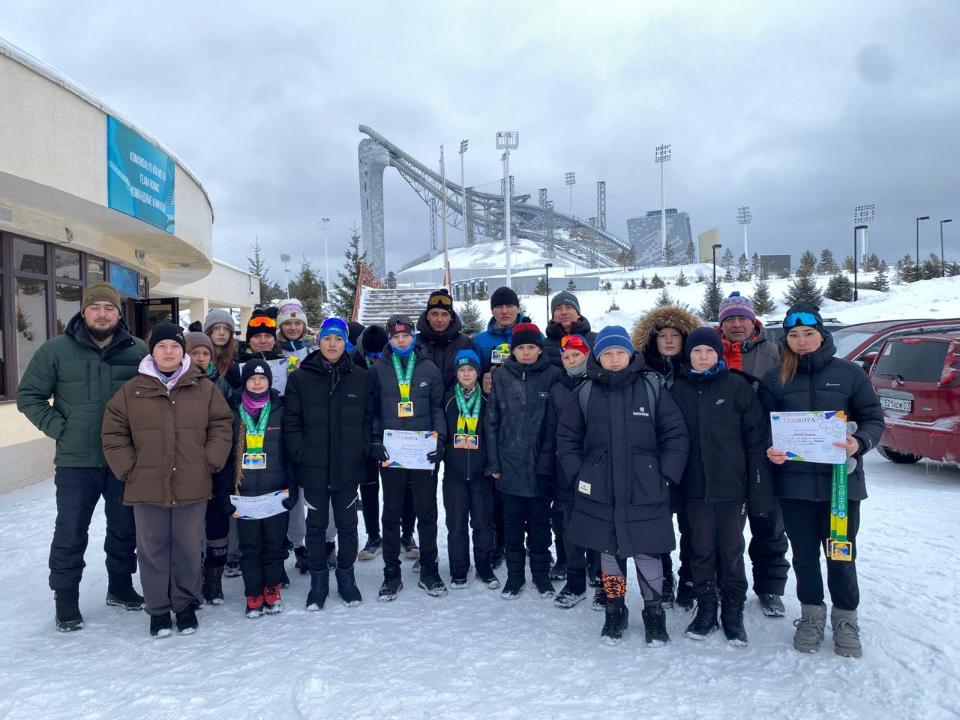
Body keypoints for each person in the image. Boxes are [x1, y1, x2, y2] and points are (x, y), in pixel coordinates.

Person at [16, 281, 147, 632]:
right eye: (95, 308)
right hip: (77, 461)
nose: (102, 314)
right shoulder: (56, 350)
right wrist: (62, 429)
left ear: (119, 313)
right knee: (71, 531)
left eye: (109, 308)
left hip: (124, 460)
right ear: (84, 311)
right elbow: (29, 395)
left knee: (125, 527)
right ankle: (66, 600)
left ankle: (120, 587)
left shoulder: (138, 351)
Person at [760, 304, 884, 658]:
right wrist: (771, 449)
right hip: (794, 485)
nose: (801, 341)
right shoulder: (775, 378)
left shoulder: (850, 374)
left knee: (841, 554)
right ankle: (812, 615)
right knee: (804, 555)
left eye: (808, 334)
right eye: (794, 336)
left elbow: (874, 419)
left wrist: (859, 443)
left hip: (841, 484)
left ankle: (846, 619)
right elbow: (764, 428)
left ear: (822, 335)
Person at [556, 325, 688, 646]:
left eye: (620, 353)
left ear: (630, 354)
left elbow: (676, 434)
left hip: (645, 488)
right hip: (600, 489)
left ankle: (654, 612)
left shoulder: (651, 386)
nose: (614, 359)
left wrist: (665, 475)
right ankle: (614, 610)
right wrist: (580, 474)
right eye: (607, 354)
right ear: (598, 357)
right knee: (609, 555)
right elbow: (567, 439)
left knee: (647, 553)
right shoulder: (585, 391)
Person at [101, 322, 233, 637]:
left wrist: (210, 460)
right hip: (146, 486)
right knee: (152, 549)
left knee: (188, 547)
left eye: (174, 346)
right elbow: (113, 432)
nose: (169, 352)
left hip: (192, 483)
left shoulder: (203, 387)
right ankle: (158, 610)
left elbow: (222, 425)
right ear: (153, 351)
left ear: (182, 351)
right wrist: (128, 468)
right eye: (162, 346)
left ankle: (185, 606)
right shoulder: (133, 389)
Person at [670, 328, 774, 646]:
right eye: (697, 351)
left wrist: (757, 486)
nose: (703, 357)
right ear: (688, 355)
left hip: (732, 487)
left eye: (709, 351)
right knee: (700, 550)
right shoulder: (677, 389)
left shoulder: (738, 387)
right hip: (694, 487)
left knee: (730, 551)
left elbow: (756, 442)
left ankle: (733, 610)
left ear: (719, 354)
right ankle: (706, 608)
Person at [285, 318, 371, 610]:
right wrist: (301, 452)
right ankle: (318, 582)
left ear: (345, 342)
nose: (332, 344)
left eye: (337, 339)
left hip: (348, 466)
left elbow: (368, 420)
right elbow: (292, 420)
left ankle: (347, 579)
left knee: (347, 525)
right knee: (316, 526)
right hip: (314, 467)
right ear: (318, 341)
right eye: (326, 338)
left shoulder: (360, 377)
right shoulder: (300, 378)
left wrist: (363, 450)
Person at [716, 291, 791, 617]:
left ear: (753, 321)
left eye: (741, 318)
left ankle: (770, 588)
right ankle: (725, 583)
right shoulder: (708, 351)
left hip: (766, 451)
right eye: (729, 319)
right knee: (725, 526)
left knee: (769, 522)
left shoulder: (774, 353)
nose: (735, 324)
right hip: (724, 452)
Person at [369, 315, 447, 600]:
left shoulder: (429, 369)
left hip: (422, 451)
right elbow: (374, 410)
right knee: (391, 512)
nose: (401, 340)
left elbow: (437, 407)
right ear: (389, 340)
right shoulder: (378, 370)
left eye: (406, 336)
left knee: (427, 511)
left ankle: (429, 568)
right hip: (392, 453)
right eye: (395, 336)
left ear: (413, 337)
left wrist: (440, 438)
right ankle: (391, 573)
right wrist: (375, 439)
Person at [631, 304, 701, 609]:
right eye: (664, 336)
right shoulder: (641, 374)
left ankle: (689, 577)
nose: (670, 340)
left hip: (694, 461)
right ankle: (665, 576)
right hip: (652, 461)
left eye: (676, 335)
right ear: (653, 340)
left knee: (692, 525)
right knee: (656, 524)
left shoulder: (697, 372)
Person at [485, 322, 561, 600]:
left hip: (541, 467)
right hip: (510, 465)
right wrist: (494, 462)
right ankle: (515, 576)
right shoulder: (502, 377)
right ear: (512, 351)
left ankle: (541, 575)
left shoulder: (553, 375)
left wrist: (552, 462)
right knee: (513, 526)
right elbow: (491, 420)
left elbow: (557, 423)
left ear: (540, 349)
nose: (526, 352)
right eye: (521, 348)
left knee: (541, 527)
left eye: (531, 347)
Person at [222, 361, 299, 617]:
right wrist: (226, 493)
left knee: (274, 545)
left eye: (262, 379)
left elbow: (290, 453)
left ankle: (272, 588)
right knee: (250, 547)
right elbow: (224, 457)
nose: (257, 383)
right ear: (244, 382)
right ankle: (253, 592)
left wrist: (292, 488)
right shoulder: (233, 411)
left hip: (275, 494)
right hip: (245, 495)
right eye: (252, 379)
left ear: (269, 381)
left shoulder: (280, 408)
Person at [542, 334, 597, 609]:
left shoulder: (600, 382)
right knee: (571, 524)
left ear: (587, 355)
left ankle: (599, 574)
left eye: (577, 355)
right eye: (566, 356)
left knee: (600, 524)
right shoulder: (557, 388)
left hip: (598, 467)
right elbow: (551, 431)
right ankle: (576, 579)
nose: (571, 360)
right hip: (566, 467)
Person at [441, 349, 498, 589]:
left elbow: (493, 434)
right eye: (462, 370)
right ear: (456, 373)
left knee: (483, 523)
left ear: (478, 372)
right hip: (453, 474)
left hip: (481, 474)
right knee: (456, 523)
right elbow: (440, 432)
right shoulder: (447, 399)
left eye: (471, 369)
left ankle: (484, 566)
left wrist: (493, 464)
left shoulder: (487, 399)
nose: (466, 373)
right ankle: (459, 569)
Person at [186, 331, 232, 605]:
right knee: (190, 525)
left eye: (205, 353)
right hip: (187, 463)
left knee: (216, 521)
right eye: (195, 353)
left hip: (216, 461)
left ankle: (214, 580)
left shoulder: (221, 385)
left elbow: (226, 423)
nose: (201, 358)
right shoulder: (177, 382)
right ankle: (192, 578)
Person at [472, 286, 530, 394]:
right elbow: (469, 376)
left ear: (517, 309)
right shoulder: (479, 341)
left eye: (509, 306)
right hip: (492, 402)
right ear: (492, 311)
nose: (504, 311)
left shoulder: (533, 336)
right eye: (499, 306)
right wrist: (481, 382)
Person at [416, 289, 473, 390]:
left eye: (445, 314)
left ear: (451, 317)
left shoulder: (465, 343)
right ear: (427, 316)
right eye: (434, 314)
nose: (439, 319)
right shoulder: (414, 343)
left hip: (455, 402)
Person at [226, 309, 285, 389]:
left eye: (267, 336)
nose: (263, 341)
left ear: (274, 340)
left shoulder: (285, 365)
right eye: (257, 336)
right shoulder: (235, 369)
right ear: (249, 341)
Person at [542, 290, 597, 367]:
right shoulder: (544, 346)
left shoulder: (596, 341)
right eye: (558, 308)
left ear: (578, 314)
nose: (564, 312)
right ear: (553, 317)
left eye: (569, 307)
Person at [203, 308, 238, 382]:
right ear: (209, 331)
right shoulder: (199, 357)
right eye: (216, 328)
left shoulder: (239, 357)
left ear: (230, 333)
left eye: (226, 328)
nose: (222, 332)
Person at [276, 298, 314, 365]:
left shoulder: (315, 349)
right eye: (287, 323)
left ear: (304, 326)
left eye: (298, 323)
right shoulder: (274, 350)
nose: (293, 328)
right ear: (280, 327)